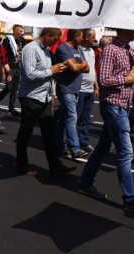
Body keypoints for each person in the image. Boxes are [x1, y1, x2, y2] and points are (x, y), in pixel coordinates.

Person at [78, 28, 134, 216]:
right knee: (125, 152)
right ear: (124, 29)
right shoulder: (111, 49)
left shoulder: (130, 49)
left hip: (123, 105)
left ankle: (85, 183)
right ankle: (130, 199)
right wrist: (125, 79)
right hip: (113, 105)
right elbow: (104, 79)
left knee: (104, 146)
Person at [15, 27, 76, 177]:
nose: (56, 42)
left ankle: (55, 165)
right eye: (55, 39)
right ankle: (21, 164)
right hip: (31, 97)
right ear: (47, 36)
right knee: (26, 132)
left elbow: (48, 71)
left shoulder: (46, 51)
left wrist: (55, 72)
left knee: (50, 133)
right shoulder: (31, 49)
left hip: (44, 97)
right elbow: (29, 74)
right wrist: (51, 71)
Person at [54, 29, 90, 160]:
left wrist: (77, 65)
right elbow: (76, 68)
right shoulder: (63, 49)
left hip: (75, 88)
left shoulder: (79, 49)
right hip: (66, 88)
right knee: (72, 117)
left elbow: (87, 68)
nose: (82, 39)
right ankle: (75, 148)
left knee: (64, 119)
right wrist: (78, 65)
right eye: (81, 37)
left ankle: (58, 146)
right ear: (75, 37)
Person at [0, 24, 25, 117]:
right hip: (10, 66)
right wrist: (3, 67)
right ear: (15, 31)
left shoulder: (22, 40)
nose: (22, 33)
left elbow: (22, 50)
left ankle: (11, 108)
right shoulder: (7, 39)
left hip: (18, 66)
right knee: (8, 87)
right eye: (20, 31)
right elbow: (2, 52)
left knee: (15, 89)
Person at [77, 28, 98, 152]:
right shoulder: (78, 50)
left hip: (89, 89)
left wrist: (96, 86)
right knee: (76, 118)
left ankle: (83, 142)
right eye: (93, 37)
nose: (95, 39)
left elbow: (93, 70)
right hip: (80, 89)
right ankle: (71, 143)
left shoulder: (91, 51)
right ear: (85, 37)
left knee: (85, 119)